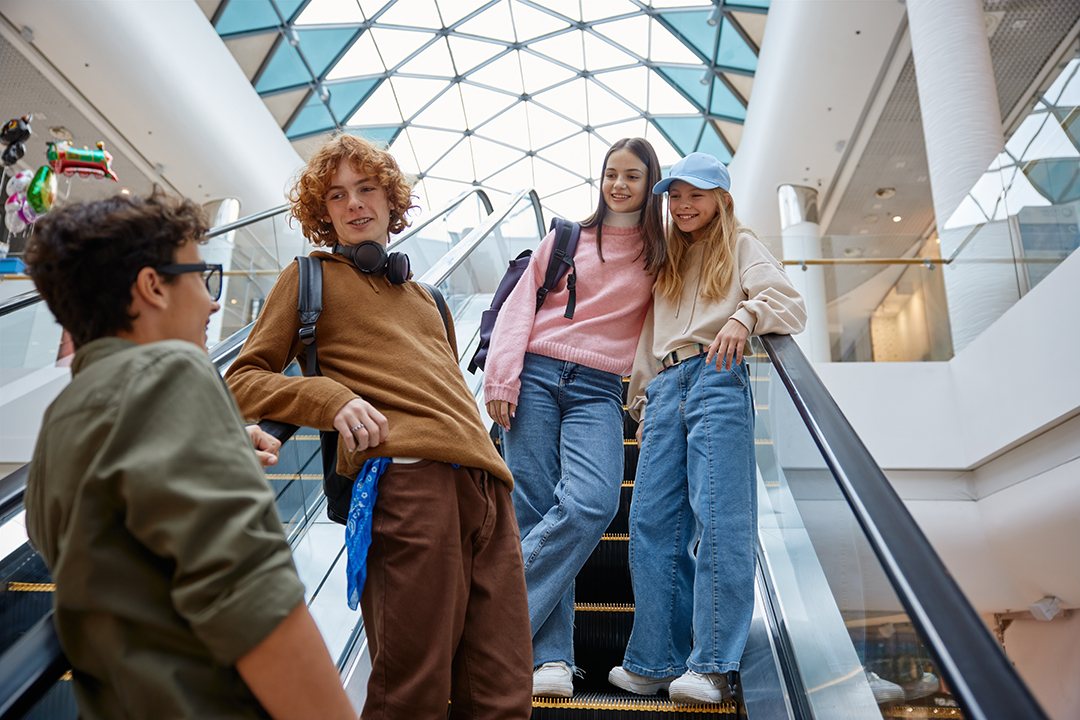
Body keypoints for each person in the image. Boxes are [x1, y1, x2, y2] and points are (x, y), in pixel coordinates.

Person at [225, 134, 532, 719]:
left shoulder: (431, 299)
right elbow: (242, 381)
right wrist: (328, 397)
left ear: (392, 201)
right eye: (337, 195)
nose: (354, 204)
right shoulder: (307, 278)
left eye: (367, 189)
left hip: (489, 489)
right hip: (407, 486)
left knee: (503, 698)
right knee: (410, 695)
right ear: (324, 212)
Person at [24, 190, 356, 720]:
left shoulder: (60, 423)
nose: (213, 301)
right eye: (202, 277)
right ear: (152, 286)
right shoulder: (171, 371)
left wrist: (216, 447)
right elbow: (251, 596)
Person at [609, 153, 807, 704]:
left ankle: (713, 664)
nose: (683, 205)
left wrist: (743, 317)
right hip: (666, 388)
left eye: (695, 194)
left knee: (720, 514)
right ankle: (654, 659)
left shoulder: (741, 244)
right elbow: (650, 340)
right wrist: (643, 404)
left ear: (721, 197)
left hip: (718, 376)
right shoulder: (668, 261)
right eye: (674, 196)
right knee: (650, 520)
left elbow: (789, 304)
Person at [484, 137, 667, 698]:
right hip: (536, 374)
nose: (618, 184)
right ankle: (551, 660)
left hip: (598, 388)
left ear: (650, 184)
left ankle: (490, 614)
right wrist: (501, 378)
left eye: (632, 175)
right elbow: (520, 306)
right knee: (535, 508)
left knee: (592, 502)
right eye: (611, 173)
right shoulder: (567, 236)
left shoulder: (661, 254)